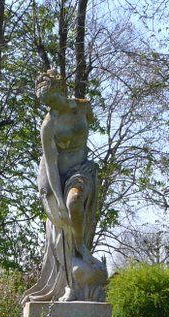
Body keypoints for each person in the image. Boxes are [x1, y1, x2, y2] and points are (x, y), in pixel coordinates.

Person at [23, 70, 108, 303]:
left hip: (81, 171)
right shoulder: (49, 124)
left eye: (52, 101)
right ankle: (70, 283)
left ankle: (81, 246)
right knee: (64, 224)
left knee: (76, 203)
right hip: (56, 176)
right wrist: (57, 201)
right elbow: (50, 163)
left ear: (61, 91)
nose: (50, 107)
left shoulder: (83, 108)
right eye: (46, 104)